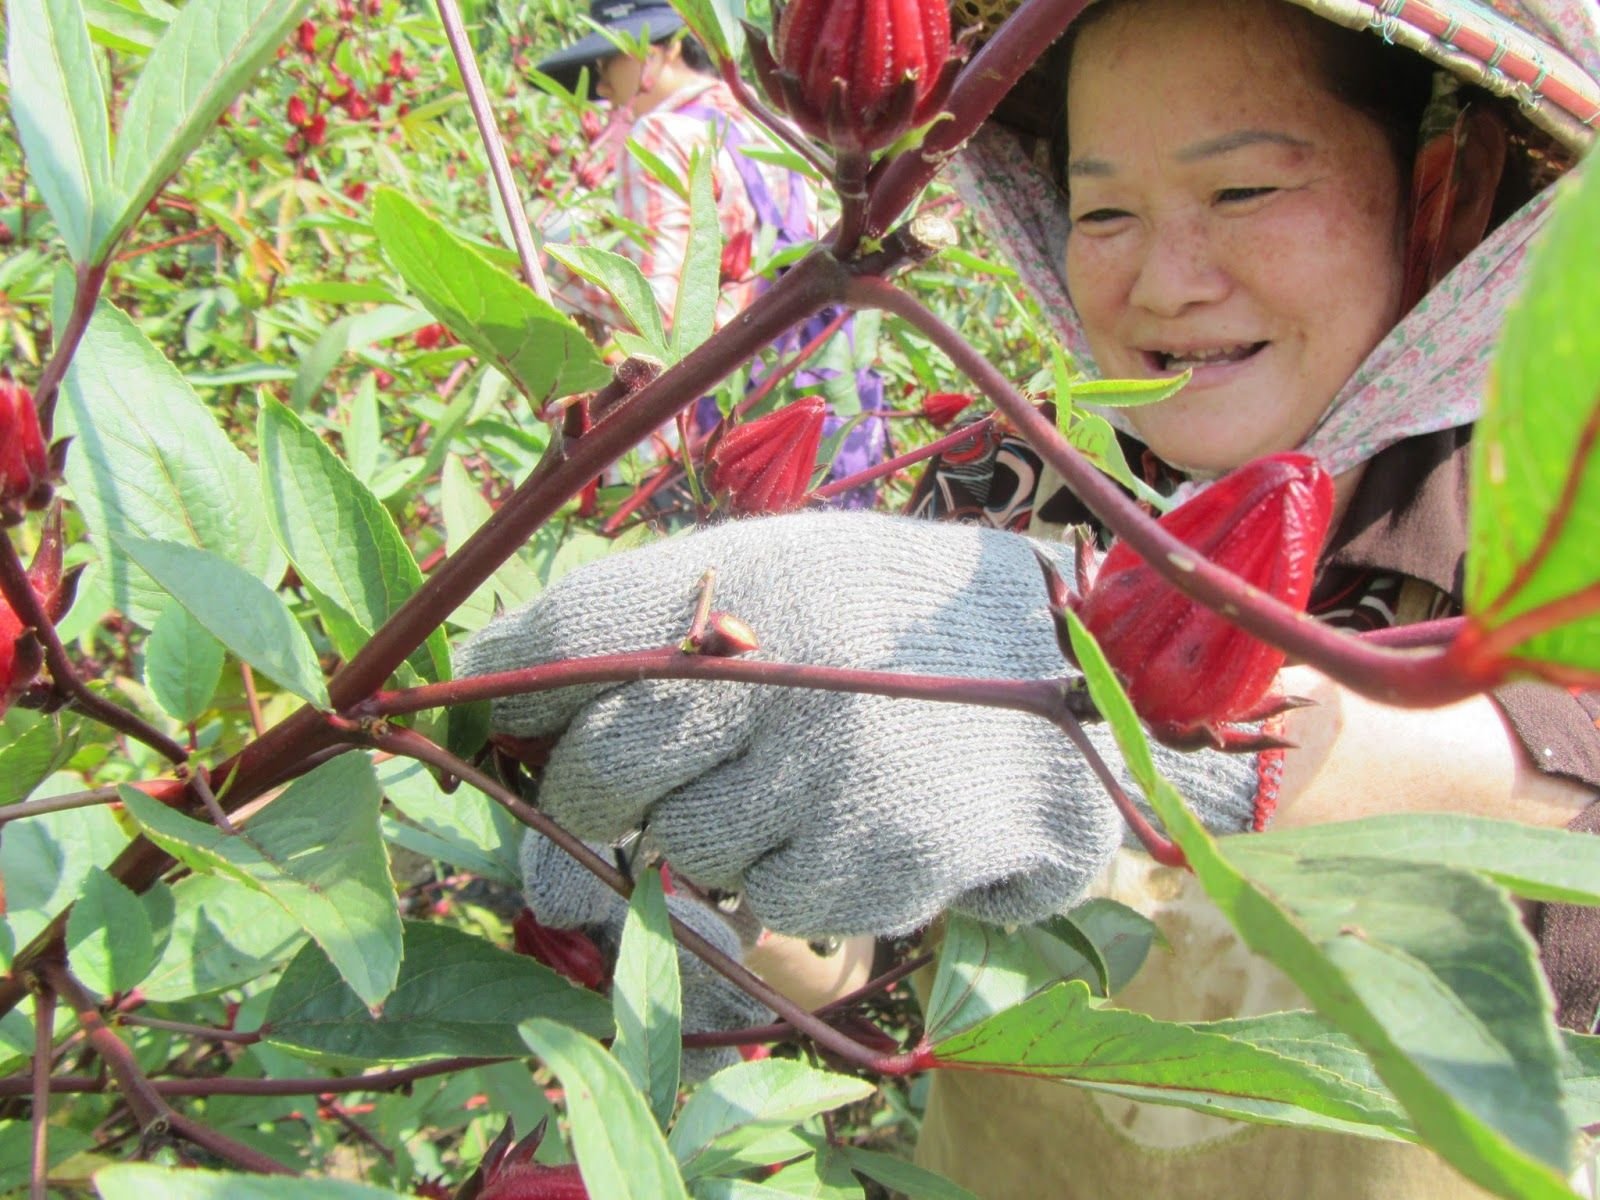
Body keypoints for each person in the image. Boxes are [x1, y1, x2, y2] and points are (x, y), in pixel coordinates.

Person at [459, 0, 1600, 1194]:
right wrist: (702, 915)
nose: (1165, 282)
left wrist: (1119, 724)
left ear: (1444, 191)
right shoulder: (1002, 486)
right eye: (1103, 210)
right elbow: (862, 953)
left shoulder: (1549, 508)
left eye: (1243, 193)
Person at [533, 0, 888, 500]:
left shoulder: (662, 133)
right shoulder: (773, 133)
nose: (604, 87)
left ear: (664, 51)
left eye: (608, 61)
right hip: (776, 410)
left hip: (691, 436)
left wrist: (543, 266)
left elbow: (665, 307)